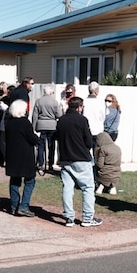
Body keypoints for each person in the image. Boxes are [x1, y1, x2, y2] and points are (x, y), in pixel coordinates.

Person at [57, 96, 101, 227]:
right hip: (81, 158)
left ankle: (69, 217)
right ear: (79, 107)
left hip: (65, 158)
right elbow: (88, 141)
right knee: (88, 187)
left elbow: (57, 136)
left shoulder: (61, 120)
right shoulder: (82, 120)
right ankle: (87, 218)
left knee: (67, 188)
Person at [4, 99, 39, 217]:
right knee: (30, 180)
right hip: (25, 156)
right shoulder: (25, 123)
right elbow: (32, 139)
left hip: (12, 155)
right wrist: (36, 137)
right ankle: (23, 206)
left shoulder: (9, 122)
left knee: (15, 180)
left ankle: (14, 205)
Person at [32, 84, 61, 174]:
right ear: (50, 92)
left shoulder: (38, 101)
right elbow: (59, 115)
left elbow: (35, 115)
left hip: (41, 125)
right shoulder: (54, 102)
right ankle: (51, 164)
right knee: (51, 146)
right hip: (52, 126)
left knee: (41, 146)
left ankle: (41, 165)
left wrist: (34, 127)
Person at [82, 81, 106, 146]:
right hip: (98, 130)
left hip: (86, 130)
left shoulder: (84, 102)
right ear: (96, 91)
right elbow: (103, 117)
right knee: (97, 152)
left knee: (86, 152)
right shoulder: (100, 102)